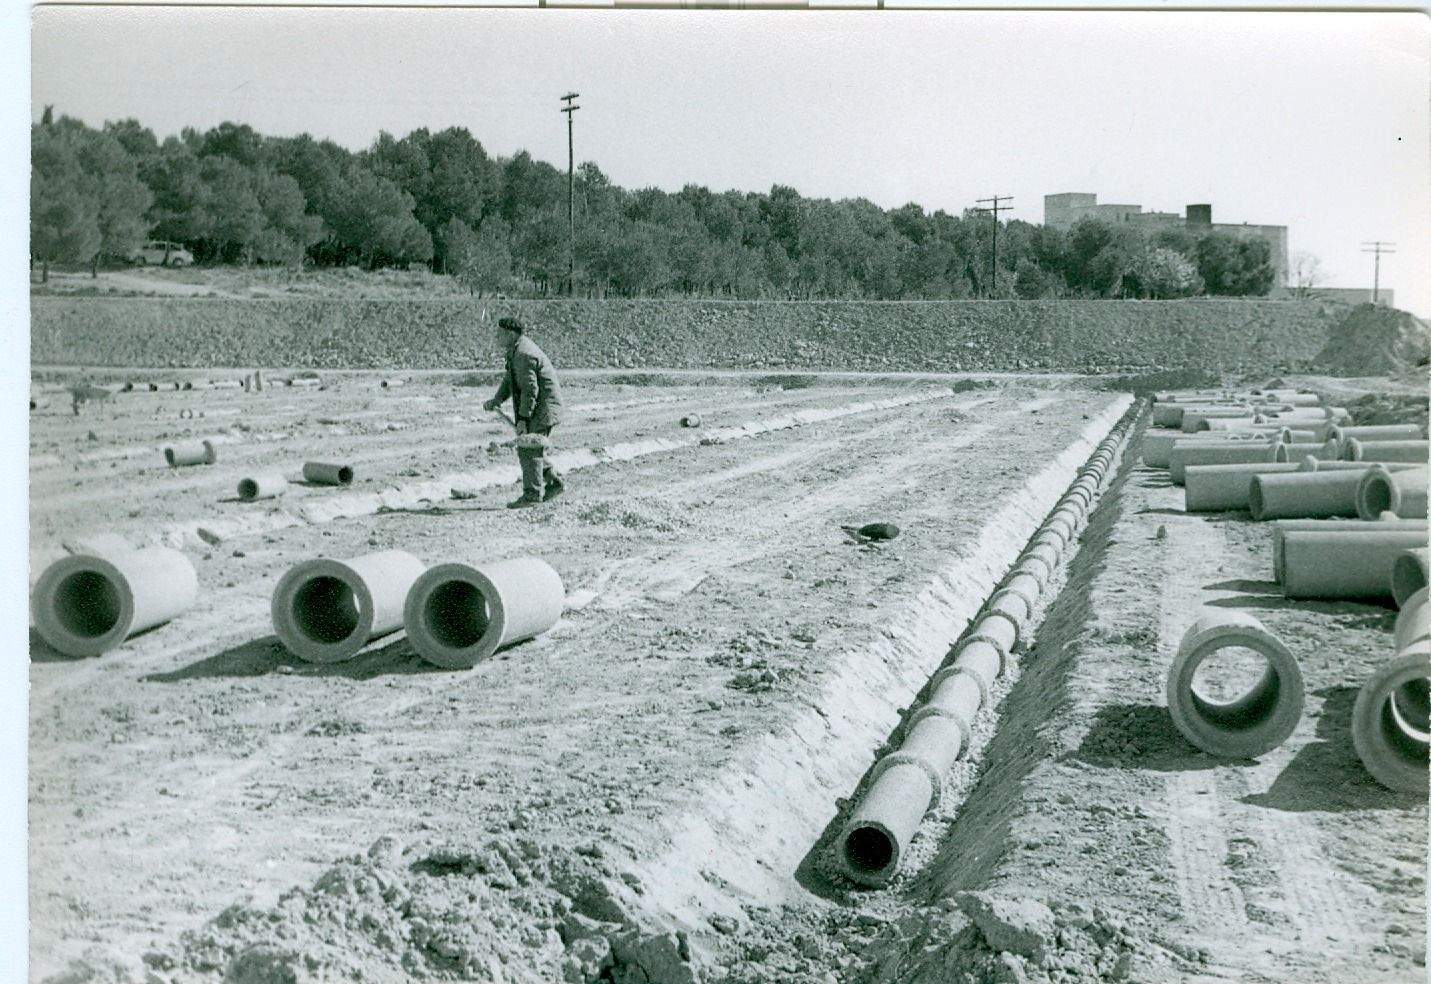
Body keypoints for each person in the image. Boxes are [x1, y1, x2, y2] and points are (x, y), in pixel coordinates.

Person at [483, 316, 565, 508]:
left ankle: (532, 496)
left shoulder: (524, 354)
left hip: (542, 409)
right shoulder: (517, 350)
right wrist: (497, 400)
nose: (496, 337)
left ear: (510, 334)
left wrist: (523, 419)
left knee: (528, 449)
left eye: (499, 334)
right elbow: (510, 380)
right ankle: (553, 482)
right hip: (539, 407)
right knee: (532, 448)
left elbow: (530, 390)